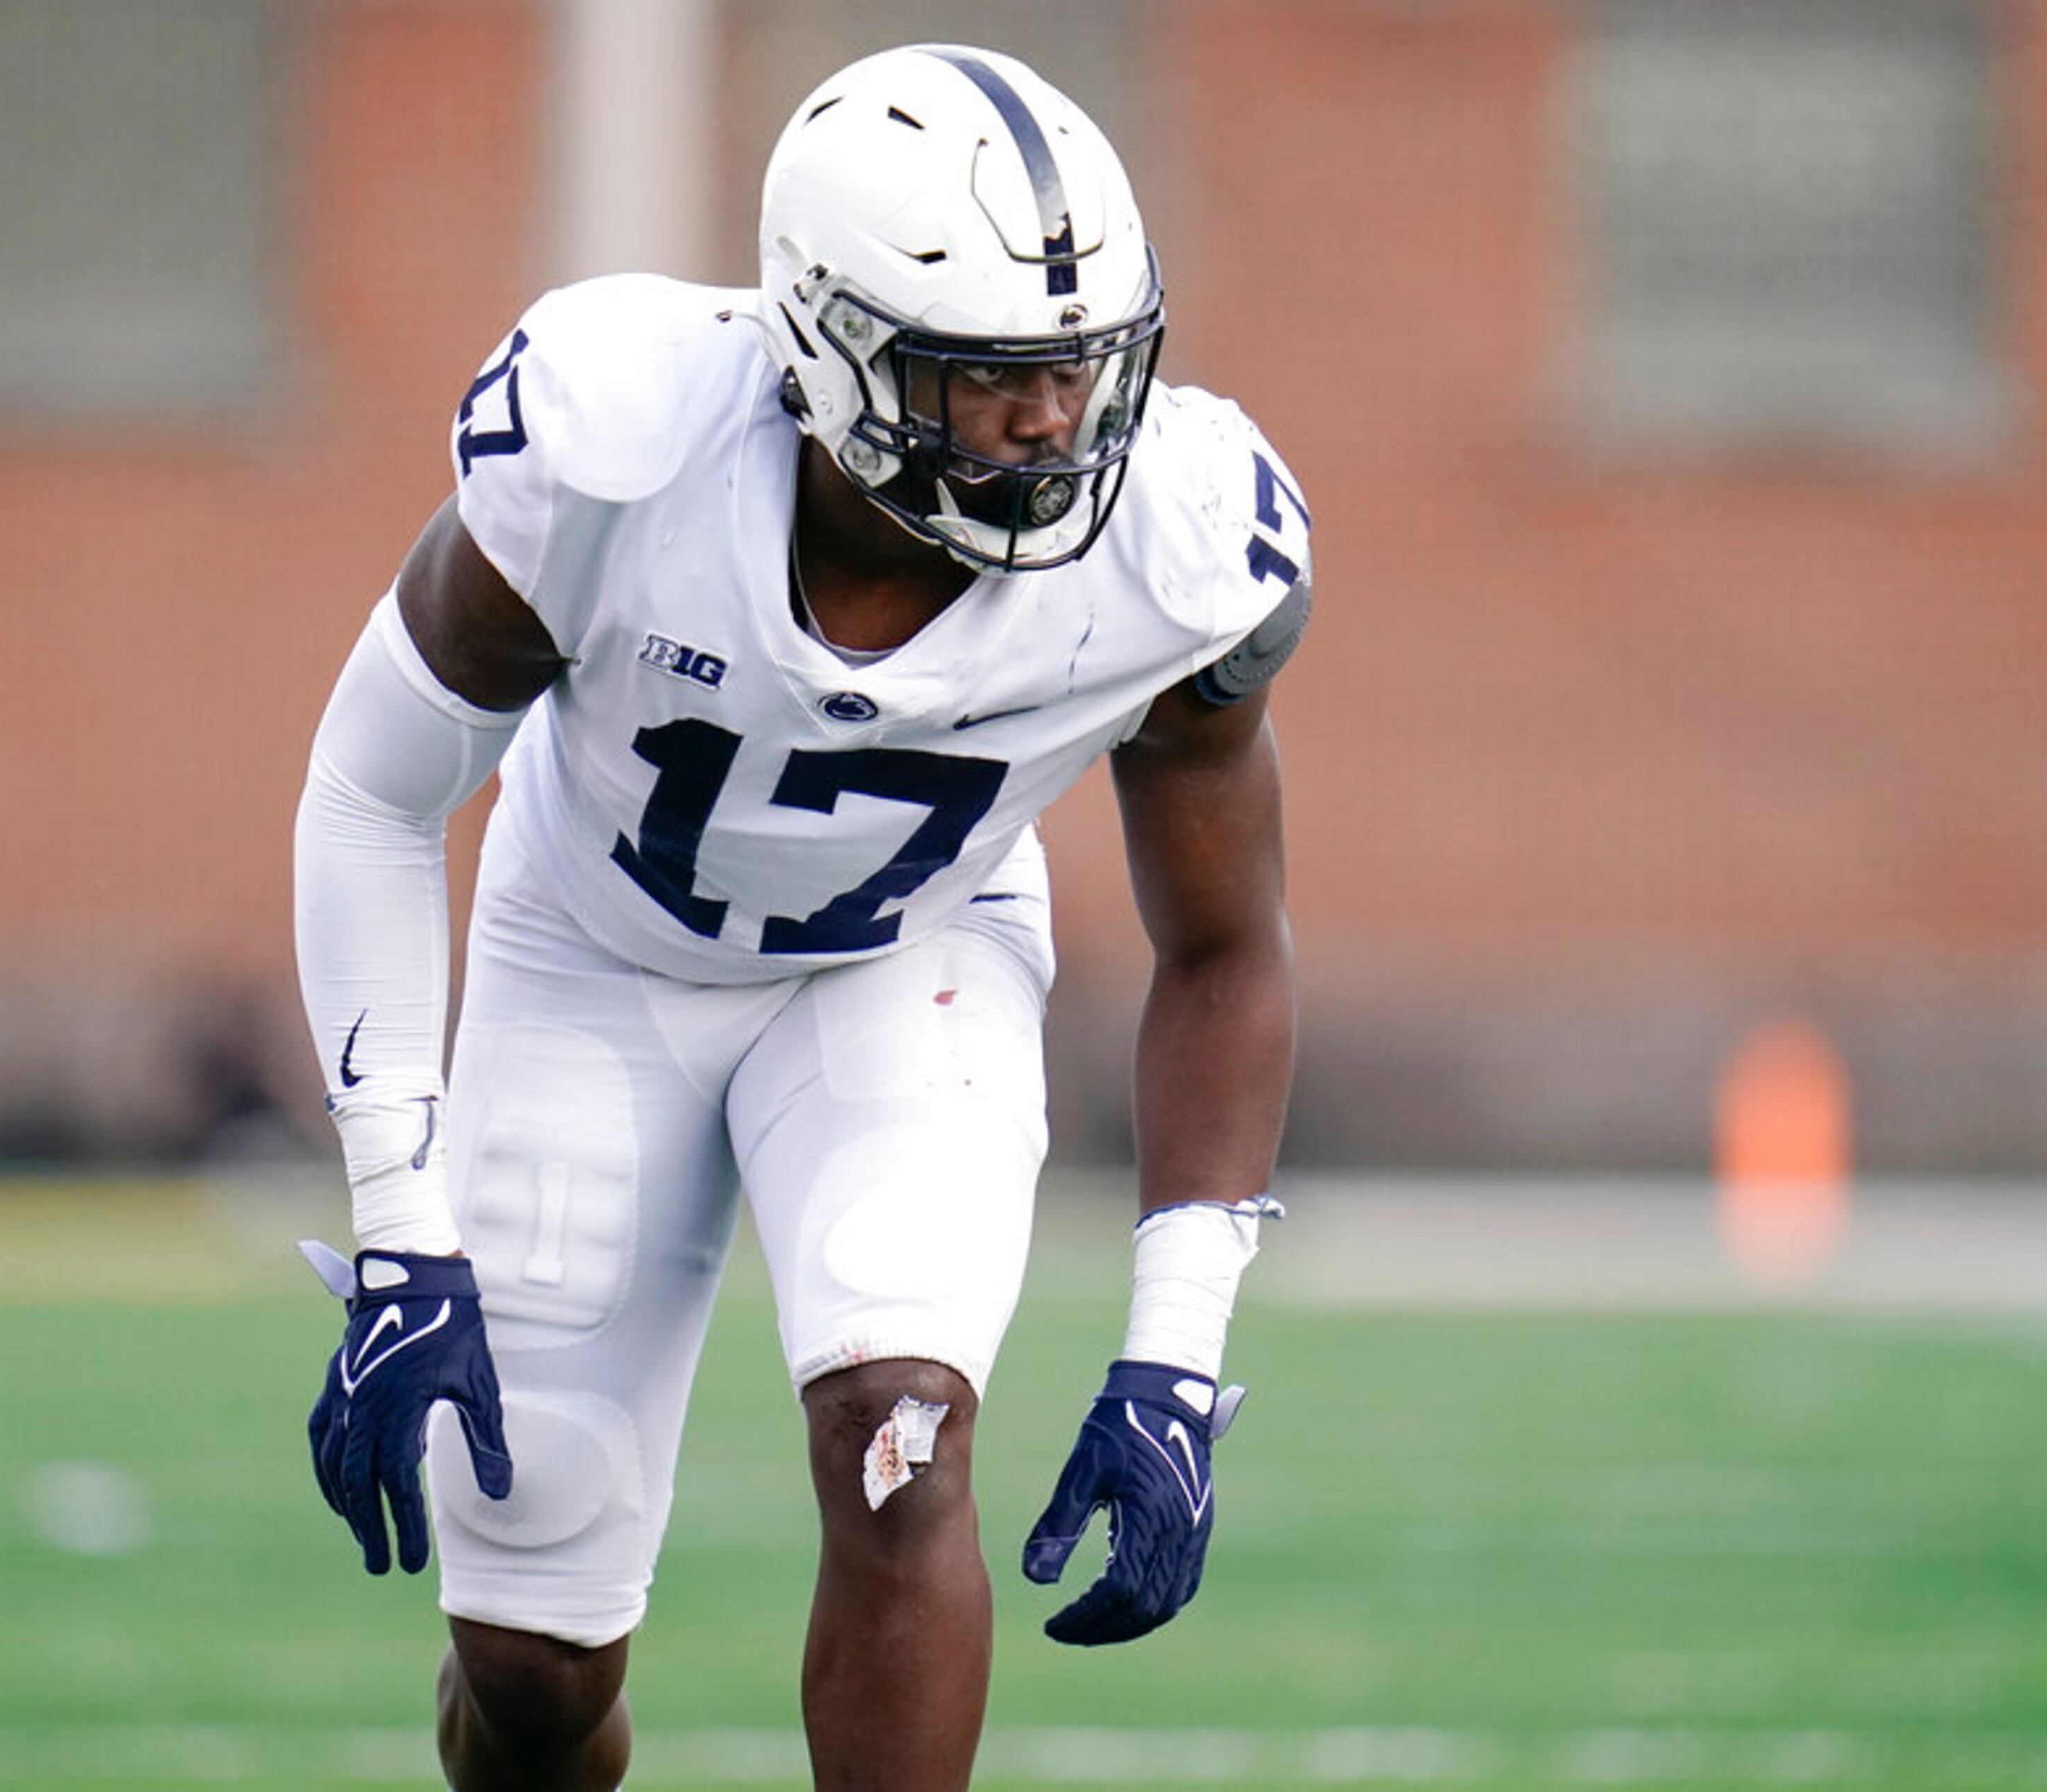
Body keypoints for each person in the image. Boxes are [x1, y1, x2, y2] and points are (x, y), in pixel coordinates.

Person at [292, 42, 1310, 1791]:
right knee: (532, 1664)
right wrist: (400, 1219)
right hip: (589, 951)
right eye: (994, 379)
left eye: (1082, 367)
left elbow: (1225, 944)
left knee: (896, 1430)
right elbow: (376, 786)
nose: (1057, 423)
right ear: (834, 353)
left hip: (905, 962)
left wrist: (1176, 1355)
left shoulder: (1182, 548)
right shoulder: (618, 447)